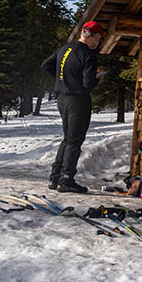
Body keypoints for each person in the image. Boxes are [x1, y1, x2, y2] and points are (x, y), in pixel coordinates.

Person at [40, 20, 106, 193]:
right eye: (98, 39)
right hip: (78, 100)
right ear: (93, 36)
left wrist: (63, 79)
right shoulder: (87, 55)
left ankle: (55, 178)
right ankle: (66, 179)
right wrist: (97, 78)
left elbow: (46, 65)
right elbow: (87, 85)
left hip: (62, 97)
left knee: (67, 138)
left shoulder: (66, 48)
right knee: (75, 140)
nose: (97, 43)